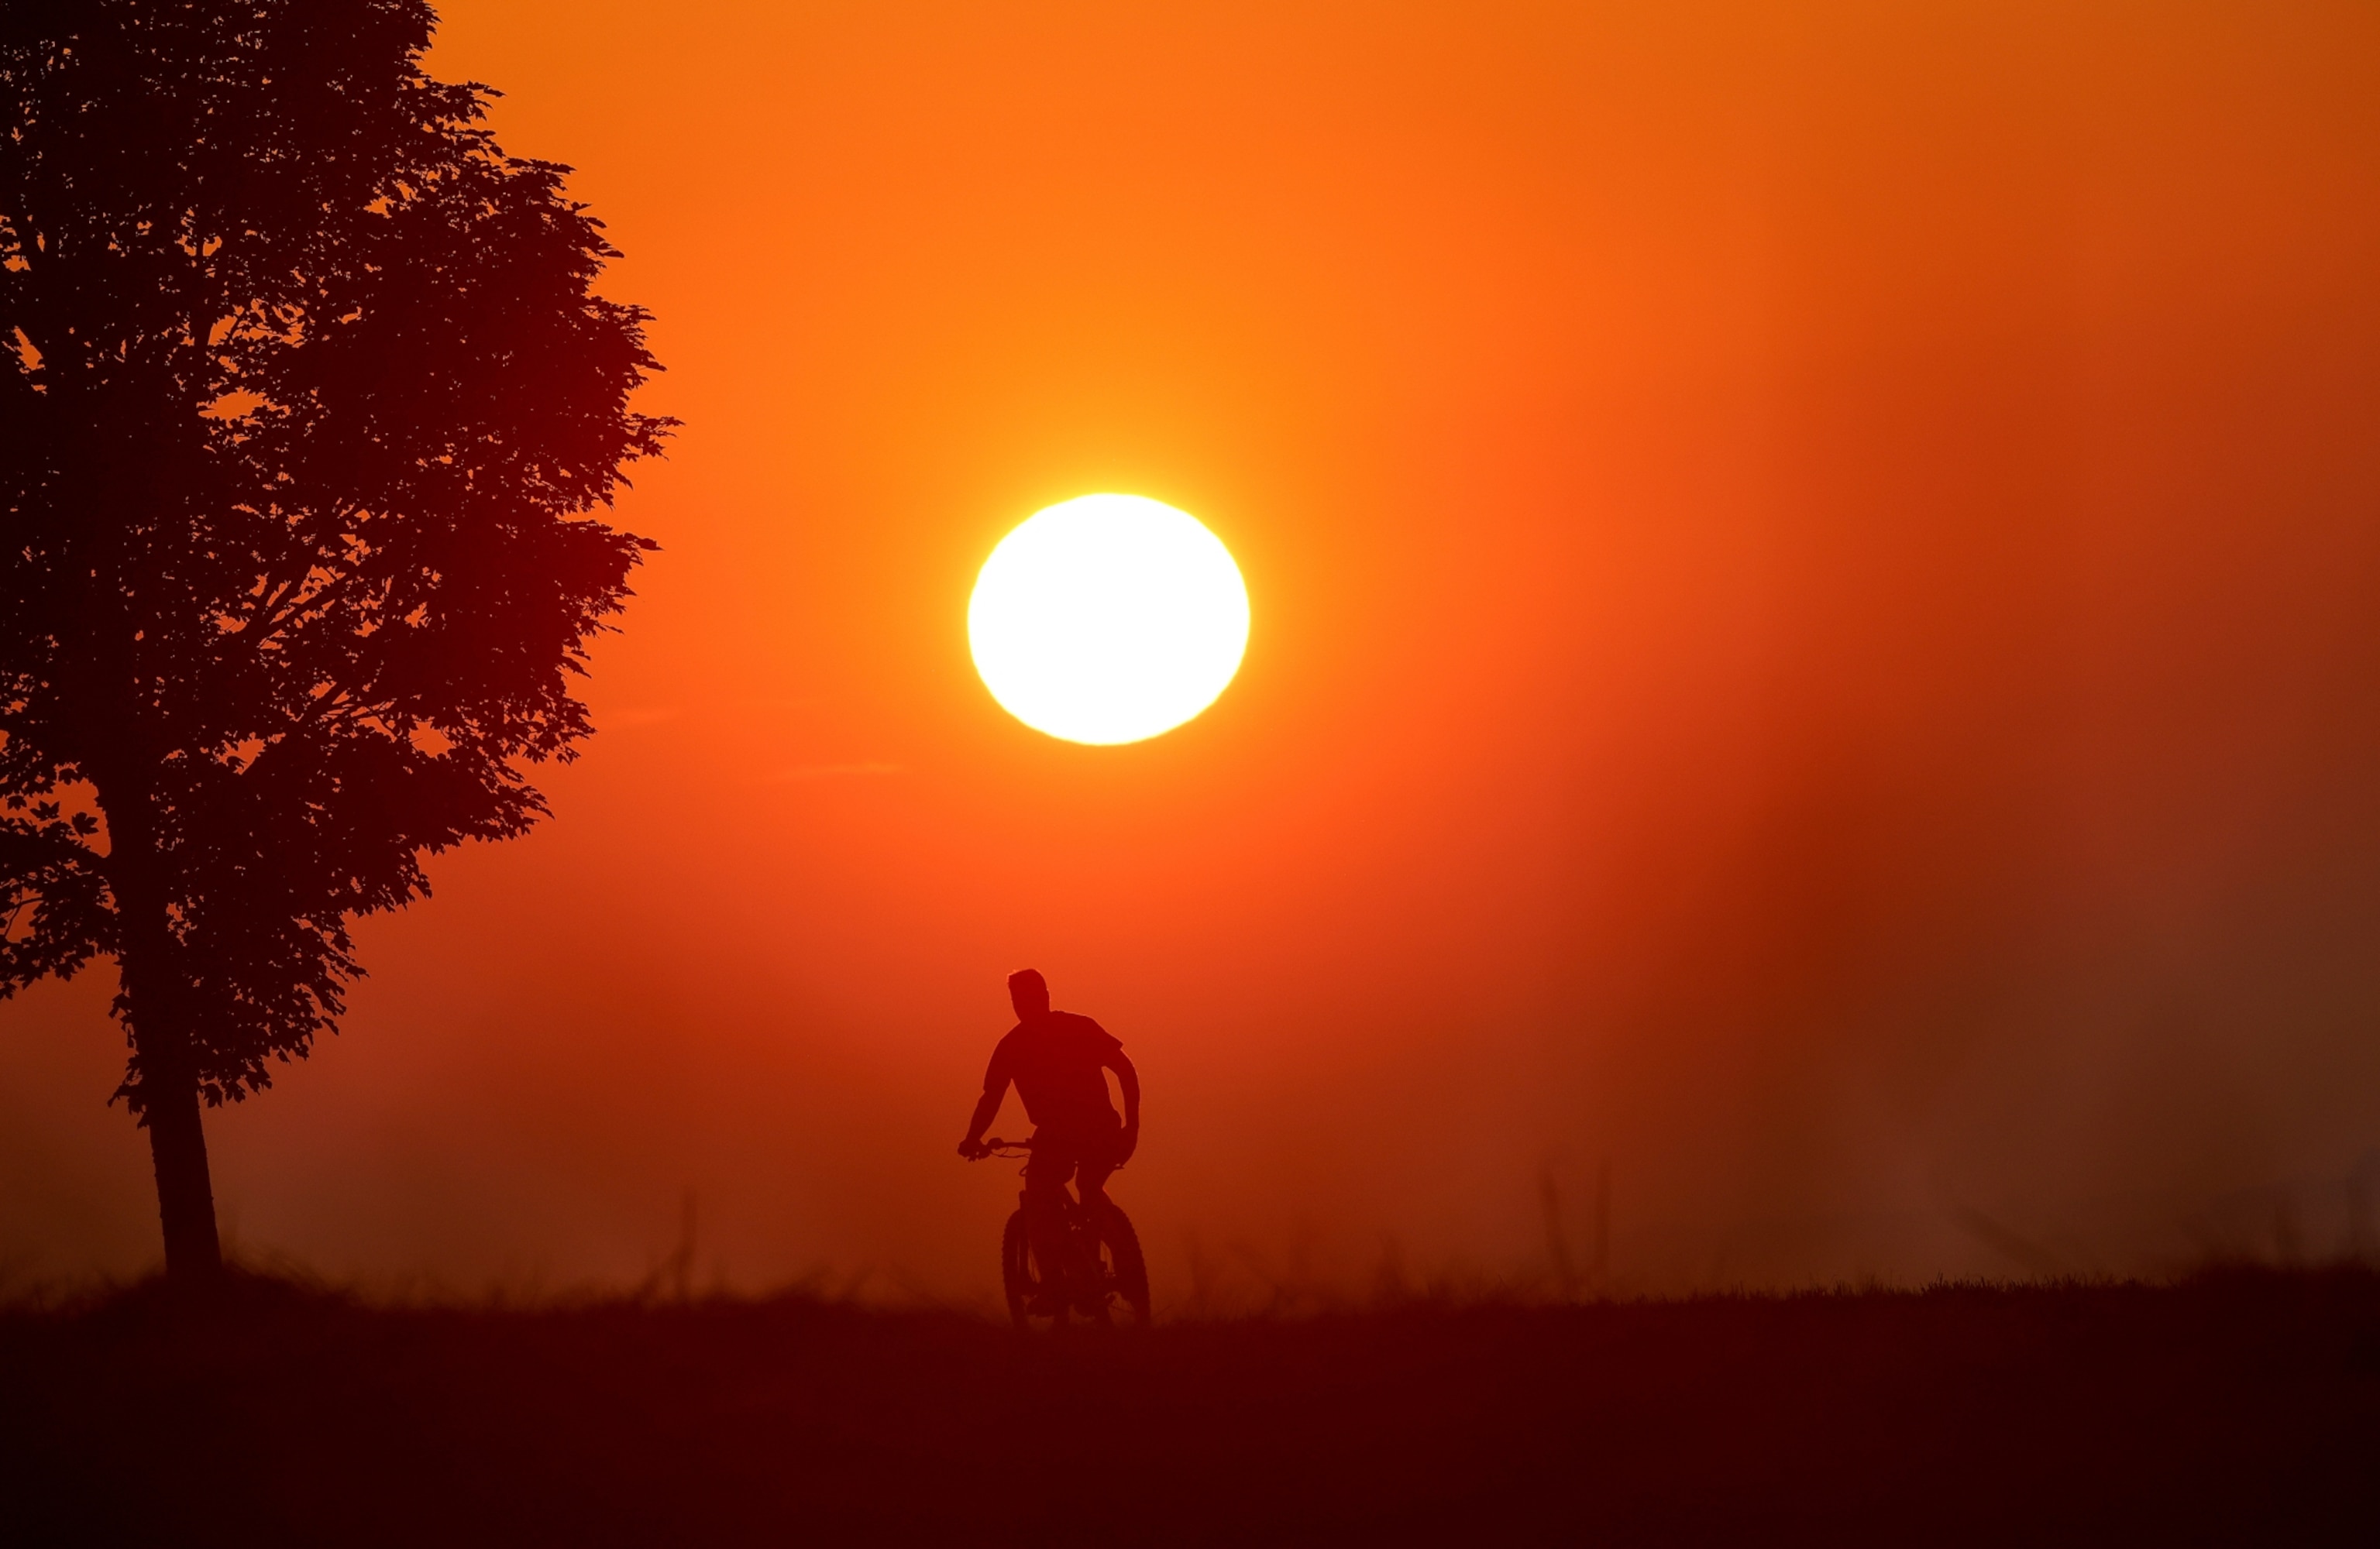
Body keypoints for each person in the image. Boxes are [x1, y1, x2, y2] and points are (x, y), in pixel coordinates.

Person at [958, 969, 1140, 1312]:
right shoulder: (1077, 1027)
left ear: (1041, 996)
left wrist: (973, 1140)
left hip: (1064, 1134)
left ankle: (1054, 1283)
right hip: (1098, 1128)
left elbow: (990, 1098)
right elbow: (1125, 1070)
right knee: (1089, 1188)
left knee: (1039, 1195)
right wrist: (1131, 1125)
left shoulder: (1013, 1045)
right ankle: (1114, 1258)